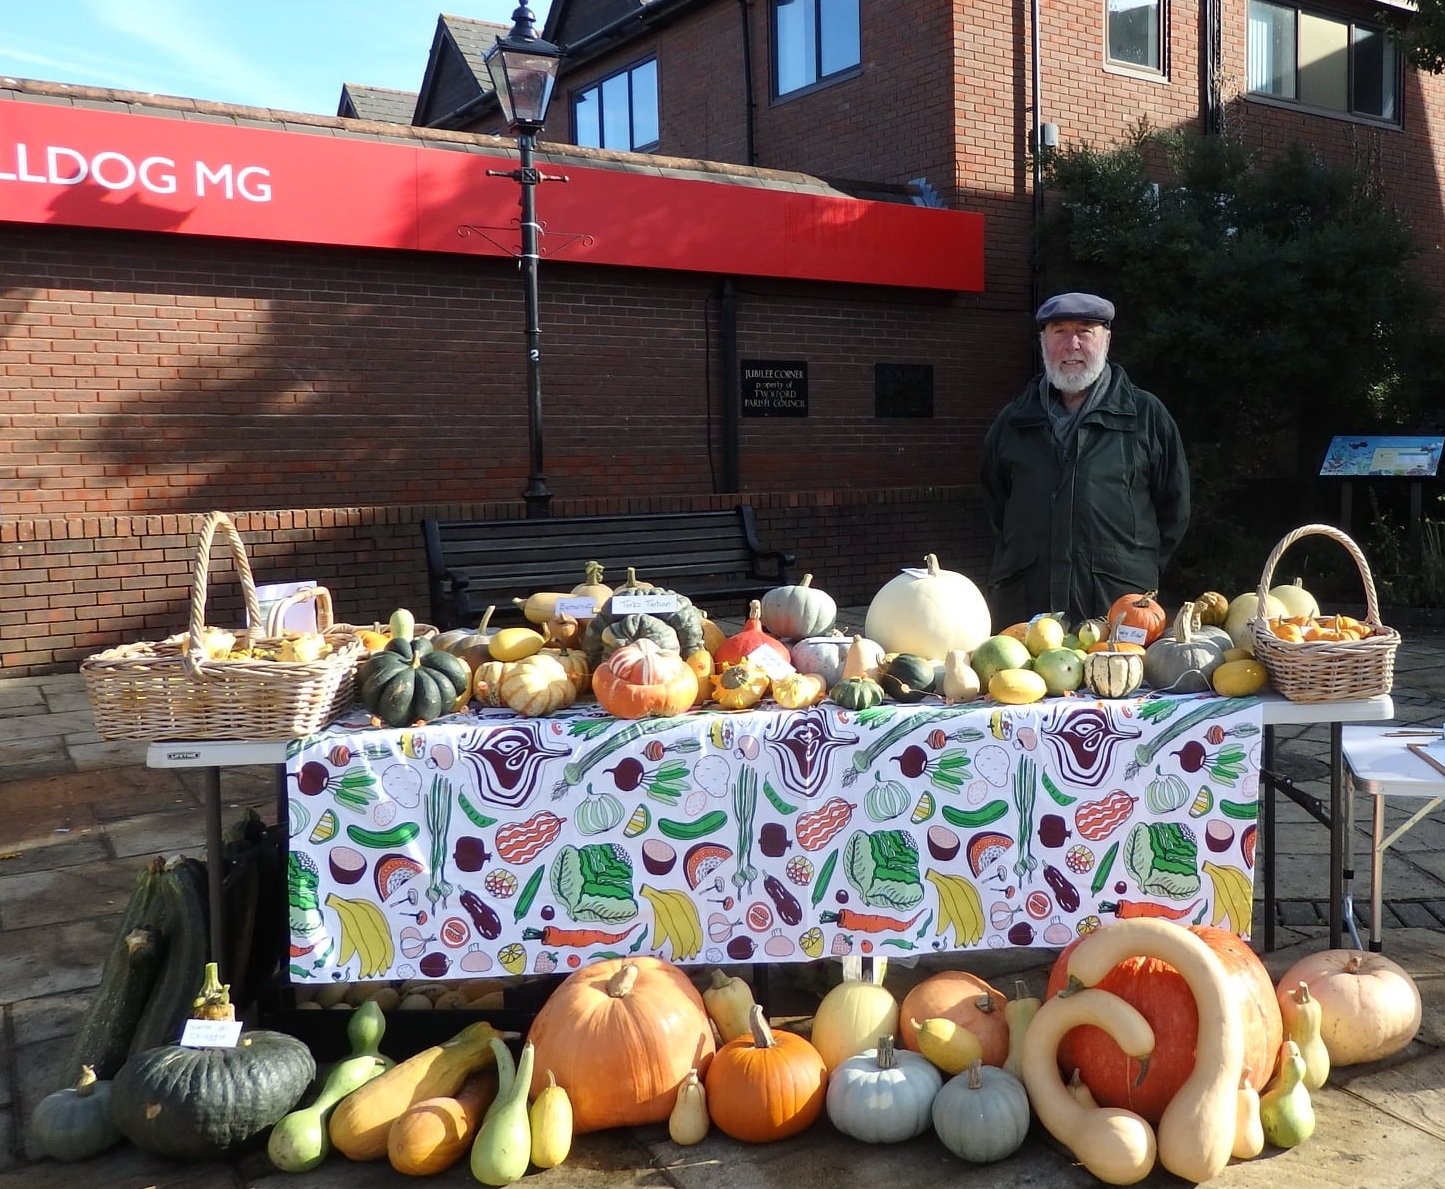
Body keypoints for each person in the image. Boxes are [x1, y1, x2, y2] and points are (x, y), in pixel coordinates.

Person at [979, 292, 1190, 629]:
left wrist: (1135, 567)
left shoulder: (1146, 416)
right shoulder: (1014, 421)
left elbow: (1173, 511)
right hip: (1026, 610)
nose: (1072, 345)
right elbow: (997, 505)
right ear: (1043, 342)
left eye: (1084, 331)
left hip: (1118, 609)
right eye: (1059, 332)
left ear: (1107, 340)